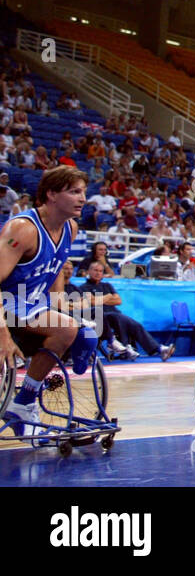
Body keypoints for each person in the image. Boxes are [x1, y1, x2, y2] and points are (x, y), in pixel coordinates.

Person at [0, 167, 101, 436]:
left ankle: (26, 398)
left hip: (31, 306)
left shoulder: (71, 228)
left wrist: (62, 308)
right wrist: (3, 334)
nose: (83, 198)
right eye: (74, 191)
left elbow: (55, 269)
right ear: (51, 194)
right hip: (5, 303)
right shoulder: (23, 229)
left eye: (83, 192)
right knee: (67, 328)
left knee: (86, 333)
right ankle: (23, 404)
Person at [75, 258, 176, 360]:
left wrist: (101, 299)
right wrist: (109, 296)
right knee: (117, 317)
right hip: (101, 318)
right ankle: (126, 349)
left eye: (100, 271)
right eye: (95, 270)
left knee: (135, 325)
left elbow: (118, 301)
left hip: (115, 315)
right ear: (89, 271)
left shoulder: (107, 285)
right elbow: (92, 302)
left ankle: (159, 349)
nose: (98, 273)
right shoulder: (83, 287)